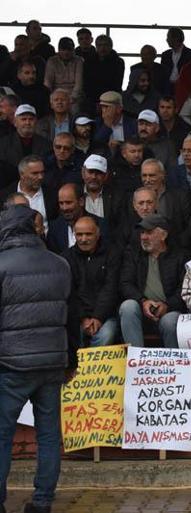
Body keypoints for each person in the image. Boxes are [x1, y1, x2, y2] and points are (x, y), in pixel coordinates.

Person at [0, 204, 77, 513]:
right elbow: (73, 317)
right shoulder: (60, 264)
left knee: (2, 436)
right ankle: (42, 502)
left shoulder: (2, 265)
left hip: (11, 365)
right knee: (48, 435)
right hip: (52, 363)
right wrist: (71, 360)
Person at [119, 214, 187, 348]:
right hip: (142, 311)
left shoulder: (180, 256)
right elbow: (125, 283)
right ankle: (137, 361)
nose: (143, 237)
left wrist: (167, 305)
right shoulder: (133, 254)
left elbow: (184, 289)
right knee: (127, 307)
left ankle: (173, 364)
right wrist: (143, 301)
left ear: (163, 235)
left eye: (149, 232)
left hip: (169, 311)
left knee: (170, 321)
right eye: (142, 232)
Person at [63, 216, 120, 347]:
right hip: (77, 317)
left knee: (107, 335)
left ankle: (91, 367)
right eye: (79, 234)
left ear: (98, 233)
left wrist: (98, 317)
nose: (83, 239)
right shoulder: (66, 258)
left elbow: (110, 288)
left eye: (88, 234)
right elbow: (70, 293)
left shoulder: (112, 254)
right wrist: (83, 318)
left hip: (105, 316)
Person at [0, 104, 49, 189]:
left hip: (39, 189)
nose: (27, 122)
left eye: (31, 119)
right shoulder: (3, 144)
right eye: (23, 119)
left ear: (36, 121)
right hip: (9, 190)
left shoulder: (46, 144)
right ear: (15, 122)